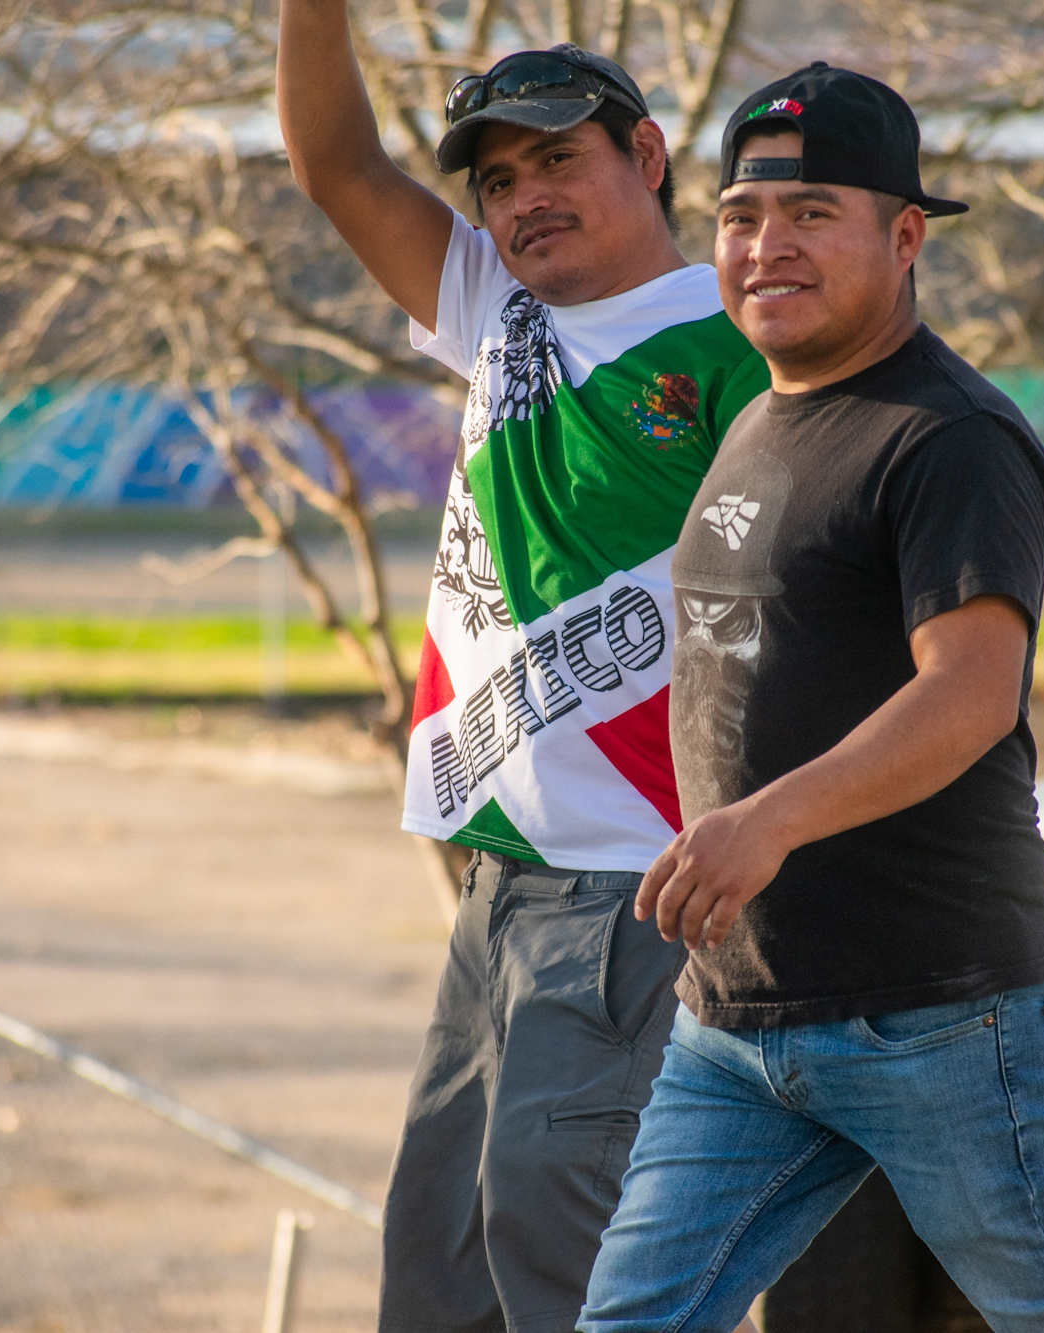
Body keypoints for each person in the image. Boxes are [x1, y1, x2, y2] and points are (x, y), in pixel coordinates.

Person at [577, 64, 1044, 1333]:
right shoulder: (760, 419)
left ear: (904, 239)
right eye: (739, 216)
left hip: (935, 1014)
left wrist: (765, 823)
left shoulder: (948, 436)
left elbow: (967, 696)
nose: (764, 247)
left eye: (810, 215)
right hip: (736, 1022)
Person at [276, 13, 771, 1331]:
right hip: (492, 895)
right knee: (436, 1286)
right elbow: (332, 161)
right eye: (496, 181)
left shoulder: (740, 342)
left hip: (631, 888)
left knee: (585, 1289)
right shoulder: (499, 310)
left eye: (555, 160)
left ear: (649, 156)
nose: (522, 199)